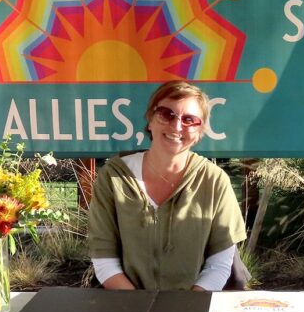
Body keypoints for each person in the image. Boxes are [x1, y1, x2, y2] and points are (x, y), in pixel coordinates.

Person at [88, 81, 247, 290]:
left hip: (192, 306)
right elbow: (104, 259)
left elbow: (219, 265)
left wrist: (184, 310)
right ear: (150, 120)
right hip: (128, 304)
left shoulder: (214, 181)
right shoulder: (113, 177)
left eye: (189, 120)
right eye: (166, 114)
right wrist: (140, 309)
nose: (177, 126)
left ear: (200, 132)